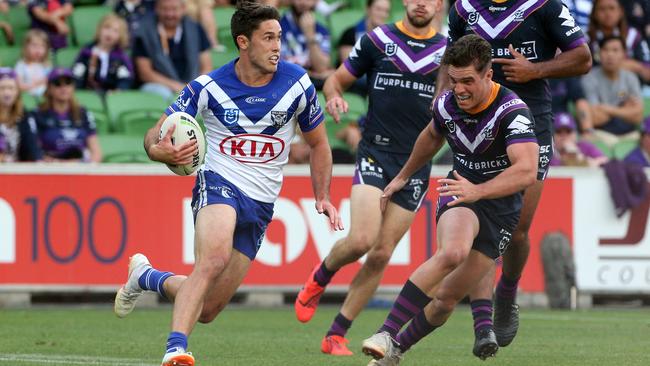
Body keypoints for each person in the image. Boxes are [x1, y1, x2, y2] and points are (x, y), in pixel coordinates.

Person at [113, 1, 343, 365]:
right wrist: (162, 153)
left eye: (279, 38)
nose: (276, 46)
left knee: (207, 309)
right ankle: (176, 349)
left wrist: (323, 196)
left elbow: (318, 144)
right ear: (243, 42)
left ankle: (147, 277)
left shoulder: (298, 83)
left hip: (262, 203)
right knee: (213, 258)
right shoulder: (208, 86)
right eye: (267, 38)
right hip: (219, 181)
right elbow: (153, 135)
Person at [361, 34, 539, 365]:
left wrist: (480, 190)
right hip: (460, 193)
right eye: (454, 80)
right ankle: (385, 332)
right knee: (453, 252)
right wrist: (403, 175)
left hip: (501, 210)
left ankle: (395, 351)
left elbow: (527, 171)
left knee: (444, 300)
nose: (460, 89)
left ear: (489, 75)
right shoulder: (447, 103)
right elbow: (431, 136)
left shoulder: (513, 112)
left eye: (468, 81)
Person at [294, 0, 448, 356]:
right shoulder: (378, 40)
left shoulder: (447, 53)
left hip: (416, 164)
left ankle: (336, 334)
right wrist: (333, 97)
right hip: (376, 152)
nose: (422, 3)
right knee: (363, 238)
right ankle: (321, 276)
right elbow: (335, 80)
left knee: (381, 255)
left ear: (439, 5)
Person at [441, 0, 592, 352]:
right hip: (478, 123)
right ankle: (483, 326)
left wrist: (536, 70)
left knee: (518, 228)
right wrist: (441, 102)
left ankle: (507, 291)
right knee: (481, 220)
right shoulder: (463, 8)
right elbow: (450, 62)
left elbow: (583, 57)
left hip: (529, 124)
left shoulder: (545, 6)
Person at [132, 0, 212, 99]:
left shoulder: (195, 28)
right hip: (159, 86)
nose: (170, 14)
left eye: (174, 9)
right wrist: (179, 88)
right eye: (165, 9)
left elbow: (206, 66)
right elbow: (145, 73)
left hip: (191, 84)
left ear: (183, 9)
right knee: (165, 95)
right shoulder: (143, 31)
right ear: (156, 9)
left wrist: (194, 87)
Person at [27, 68, 102, 162]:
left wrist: (88, 167)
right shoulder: (37, 114)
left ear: (73, 87)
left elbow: (96, 152)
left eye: (68, 82)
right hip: (50, 167)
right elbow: (34, 151)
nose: (64, 87)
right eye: (58, 84)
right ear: (49, 88)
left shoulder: (83, 113)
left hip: (80, 167)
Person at [582, 36, 644, 149]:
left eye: (615, 50)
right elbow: (595, 118)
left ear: (624, 54)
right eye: (605, 50)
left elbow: (638, 116)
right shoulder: (589, 78)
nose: (610, 54)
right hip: (602, 134)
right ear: (599, 53)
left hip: (631, 135)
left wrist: (606, 109)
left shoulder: (631, 78)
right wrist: (624, 107)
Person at [587, 0, 650, 84]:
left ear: (620, 11)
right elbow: (583, 70)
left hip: (631, 87)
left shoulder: (633, 35)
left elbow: (647, 71)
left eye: (612, 8)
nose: (607, 13)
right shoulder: (586, 39)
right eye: (602, 9)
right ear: (594, 13)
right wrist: (629, 65)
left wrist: (611, 65)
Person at [72, 14, 134, 92]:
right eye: (107, 28)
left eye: (115, 31)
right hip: (88, 93)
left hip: (112, 96)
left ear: (120, 37)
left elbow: (126, 79)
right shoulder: (86, 52)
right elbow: (77, 74)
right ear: (99, 29)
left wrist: (118, 91)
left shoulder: (121, 57)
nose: (110, 33)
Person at [279, 0, 334, 89]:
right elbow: (277, 66)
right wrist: (312, 74)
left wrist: (310, 35)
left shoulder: (322, 30)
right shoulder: (278, 26)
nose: (303, 3)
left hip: (312, 85)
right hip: (285, 83)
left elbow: (321, 68)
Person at [0, 67, 41, 162]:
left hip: (19, 169)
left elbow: (32, 146)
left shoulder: (25, 116)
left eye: (11, 88)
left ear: (17, 91)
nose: (7, 93)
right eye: (2, 88)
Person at [14, 29, 52, 97]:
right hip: (28, 96)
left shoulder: (47, 65)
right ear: (26, 47)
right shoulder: (21, 65)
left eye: (42, 46)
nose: (38, 50)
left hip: (47, 97)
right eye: (34, 45)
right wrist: (38, 83)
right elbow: (19, 86)